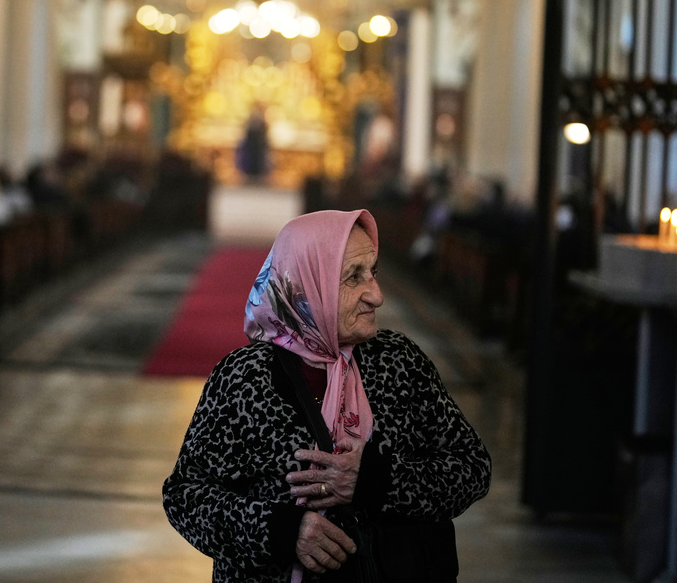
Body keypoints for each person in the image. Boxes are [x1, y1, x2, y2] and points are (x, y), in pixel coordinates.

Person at [163, 209, 491, 582]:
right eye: (354, 277)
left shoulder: (401, 363)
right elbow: (185, 496)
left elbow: (473, 468)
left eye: (374, 272)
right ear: (308, 283)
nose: (377, 295)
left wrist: (375, 481)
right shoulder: (245, 377)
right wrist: (281, 531)